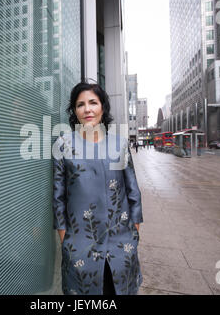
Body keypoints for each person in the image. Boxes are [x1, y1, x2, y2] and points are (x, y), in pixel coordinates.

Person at [53, 82, 143, 295]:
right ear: (75, 111)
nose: (87, 109)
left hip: (121, 245)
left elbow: (133, 191)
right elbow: (58, 197)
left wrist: (134, 233)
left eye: (93, 102)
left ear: (103, 107)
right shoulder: (63, 145)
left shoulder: (119, 145)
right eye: (80, 104)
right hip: (79, 245)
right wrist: (65, 237)